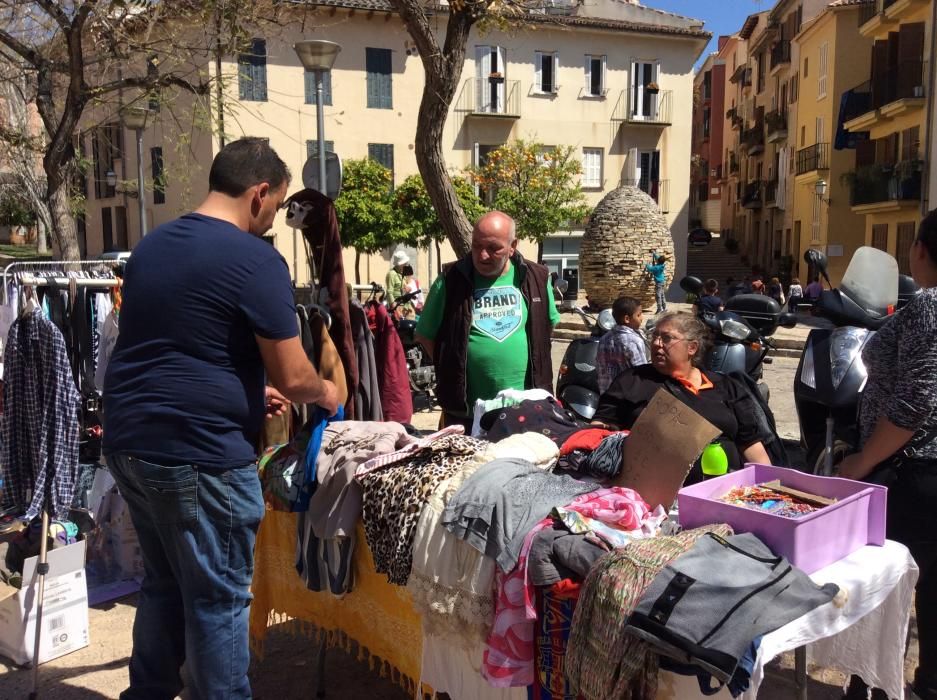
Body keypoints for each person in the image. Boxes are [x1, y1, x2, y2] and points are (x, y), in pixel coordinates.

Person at [102, 138, 340, 700]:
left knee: (163, 586)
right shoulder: (255, 259)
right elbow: (294, 375)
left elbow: (181, 345)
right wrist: (328, 391)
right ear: (259, 194)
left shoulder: (153, 246)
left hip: (131, 442)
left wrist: (249, 392)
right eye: (278, 205)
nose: (273, 219)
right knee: (218, 601)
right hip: (199, 455)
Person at [837, 209, 937, 700]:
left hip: (912, 471)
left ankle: (872, 687)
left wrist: (862, 461)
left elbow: (917, 400)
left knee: (885, 584)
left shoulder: (928, 307)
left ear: (921, 250)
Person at [415, 211, 560, 430]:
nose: (482, 255)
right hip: (466, 413)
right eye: (476, 246)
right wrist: (452, 365)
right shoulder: (452, 279)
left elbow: (546, 325)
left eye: (494, 248)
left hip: (525, 408)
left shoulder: (535, 277)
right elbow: (426, 335)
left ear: (513, 246)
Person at [592, 311, 771, 482]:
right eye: (654, 336)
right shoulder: (633, 381)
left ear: (692, 348)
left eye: (666, 338)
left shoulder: (727, 387)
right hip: (652, 493)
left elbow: (750, 445)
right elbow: (599, 430)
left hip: (724, 490)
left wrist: (768, 488)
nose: (656, 343)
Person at [596, 296, 649, 394]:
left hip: (607, 394)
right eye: (639, 315)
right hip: (629, 395)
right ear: (627, 319)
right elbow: (642, 371)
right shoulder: (634, 341)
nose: (642, 318)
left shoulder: (604, 338)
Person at [386, 249, 412, 317]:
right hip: (398, 306)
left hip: (406, 305)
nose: (406, 264)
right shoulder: (392, 274)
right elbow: (389, 291)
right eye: (404, 263)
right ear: (400, 264)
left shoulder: (402, 274)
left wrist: (407, 290)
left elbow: (402, 288)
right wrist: (393, 304)